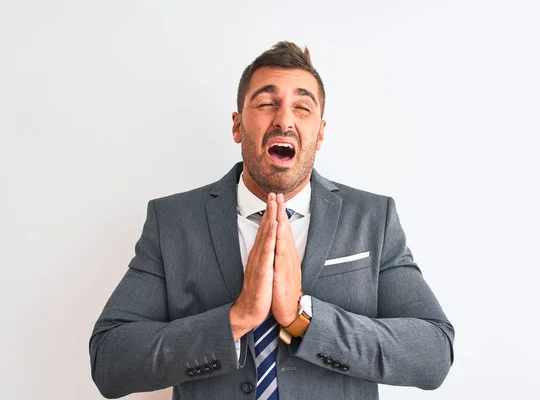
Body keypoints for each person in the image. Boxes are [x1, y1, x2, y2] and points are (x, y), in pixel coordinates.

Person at [89, 41, 454, 400]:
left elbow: (433, 353)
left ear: (321, 133)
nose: (284, 119)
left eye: (302, 107)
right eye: (266, 103)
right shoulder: (172, 221)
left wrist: (304, 320)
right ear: (237, 126)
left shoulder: (373, 218)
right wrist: (235, 319)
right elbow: (110, 361)